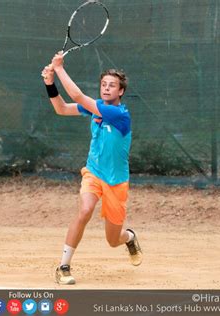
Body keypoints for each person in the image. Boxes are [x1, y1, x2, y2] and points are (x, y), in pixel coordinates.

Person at [41, 52, 142, 285]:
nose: (106, 88)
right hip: (94, 173)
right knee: (85, 210)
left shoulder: (119, 114)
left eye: (112, 86)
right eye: (104, 84)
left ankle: (129, 237)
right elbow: (63, 108)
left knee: (112, 239)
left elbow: (76, 95)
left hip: (116, 182)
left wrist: (59, 68)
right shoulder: (95, 109)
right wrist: (49, 83)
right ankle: (63, 266)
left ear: (121, 92)